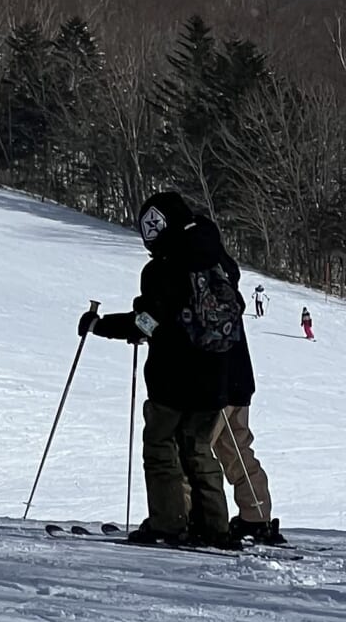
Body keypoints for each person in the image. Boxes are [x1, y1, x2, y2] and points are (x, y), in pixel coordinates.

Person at [85, 188, 250, 547]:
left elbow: (148, 322)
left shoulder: (163, 268)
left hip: (173, 377)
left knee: (161, 446)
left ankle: (169, 523)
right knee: (199, 450)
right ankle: (214, 526)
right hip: (215, 375)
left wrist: (101, 325)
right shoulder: (217, 259)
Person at [213, 403, 282, 545]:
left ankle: (183, 515)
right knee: (235, 447)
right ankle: (255, 515)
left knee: (194, 448)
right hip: (238, 387)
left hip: (212, 388)